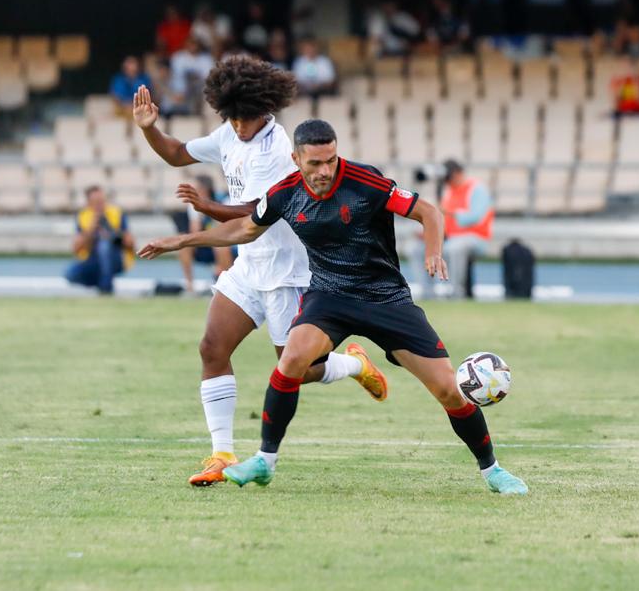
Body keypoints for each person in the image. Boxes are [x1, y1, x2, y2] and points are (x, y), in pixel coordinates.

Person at [138, 119, 528, 495]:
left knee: (447, 389)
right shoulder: (284, 193)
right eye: (315, 163)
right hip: (329, 295)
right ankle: (264, 461)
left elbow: (428, 211)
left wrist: (434, 251)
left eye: (331, 160)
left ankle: (493, 471)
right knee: (291, 362)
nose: (325, 170)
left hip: (384, 297)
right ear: (297, 159)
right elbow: (243, 229)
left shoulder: (364, 181)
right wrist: (182, 241)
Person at [132, 57, 387, 487]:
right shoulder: (230, 132)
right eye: (231, 117)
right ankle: (221, 454)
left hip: (289, 273)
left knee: (297, 370)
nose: (238, 126)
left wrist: (207, 208)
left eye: (245, 118)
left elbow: (256, 215)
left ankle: (353, 365)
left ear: (264, 109)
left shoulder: (277, 149)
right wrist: (148, 128)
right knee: (212, 347)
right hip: (249, 269)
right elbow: (177, 154)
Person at [409, 160, 493, 300]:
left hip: (475, 237)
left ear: (459, 173)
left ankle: (455, 293)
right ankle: (428, 294)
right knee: (415, 248)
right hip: (449, 237)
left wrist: (450, 212)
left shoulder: (477, 189)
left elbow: (475, 217)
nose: (448, 181)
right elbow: (443, 220)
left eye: (450, 178)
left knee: (453, 248)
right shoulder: (448, 191)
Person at [66, 186, 134, 295]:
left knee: (104, 246)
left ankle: (106, 289)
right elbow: (76, 248)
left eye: (102, 201)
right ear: (89, 203)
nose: (100, 205)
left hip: (116, 257)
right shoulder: (83, 216)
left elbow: (130, 243)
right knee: (70, 274)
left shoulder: (116, 212)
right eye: (96, 202)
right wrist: (91, 230)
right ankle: (101, 283)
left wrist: (116, 234)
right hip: (92, 259)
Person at [174, 175, 234, 293]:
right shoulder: (194, 205)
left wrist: (212, 211)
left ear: (204, 189)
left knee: (221, 247)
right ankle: (190, 286)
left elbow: (225, 230)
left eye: (195, 188)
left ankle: (229, 288)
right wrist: (200, 212)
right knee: (185, 246)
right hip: (207, 243)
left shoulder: (224, 200)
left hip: (225, 243)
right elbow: (194, 232)